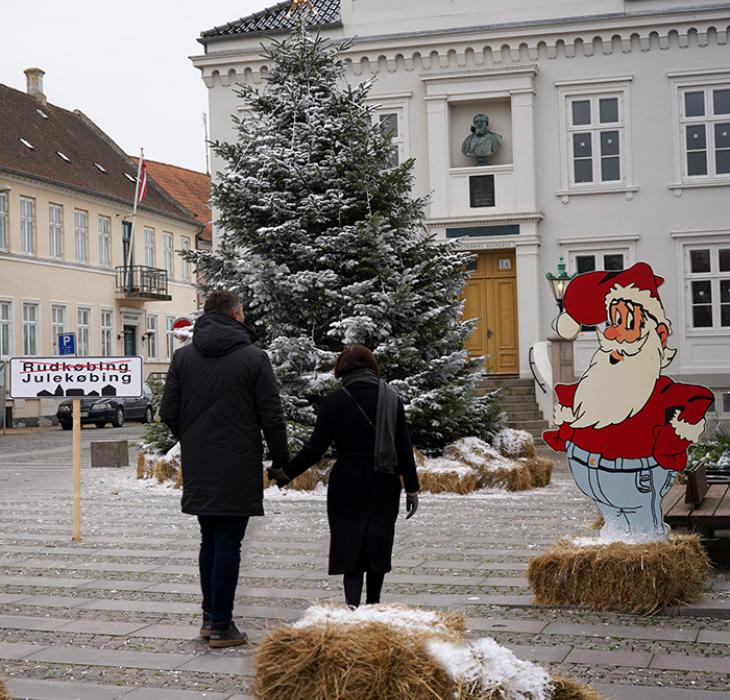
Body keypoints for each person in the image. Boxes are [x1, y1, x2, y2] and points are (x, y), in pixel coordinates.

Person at [544, 262, 713, 540]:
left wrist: (673, 440)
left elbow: (699, 398)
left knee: (643, 535)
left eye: (627, 324)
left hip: (635, 477)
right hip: (589, 473)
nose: (612, 334)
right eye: (611, 322)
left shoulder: (658, 389)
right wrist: (567, 430)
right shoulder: (600, 377)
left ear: (656, 335)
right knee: (614, 532)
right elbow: (581, 399)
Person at [160, 291, 288, 647]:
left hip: (200, 462)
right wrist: (281, 462)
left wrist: (194, 437)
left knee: (210, 539)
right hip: (238, 461)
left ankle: (208, 618)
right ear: (235, 315)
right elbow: (272, 417)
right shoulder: (254, 358)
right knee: (229, 542)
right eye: (243, 313)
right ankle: (221, 624)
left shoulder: (183, 358)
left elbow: (169, 411)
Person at [269, 345, 419, 608]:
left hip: (347, 482)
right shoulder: (391, 398)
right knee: (378, 541)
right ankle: (374, 604)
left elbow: (315, 448)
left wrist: (286, 474)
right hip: (384, 481)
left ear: (342, 369)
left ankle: (351, 605)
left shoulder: (334, 402)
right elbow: (403, 448)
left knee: (350, 543)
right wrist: (412, 489)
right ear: (371, 366)